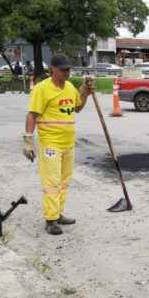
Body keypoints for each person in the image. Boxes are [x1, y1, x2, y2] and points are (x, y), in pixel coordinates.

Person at [23, 54, 94, 236]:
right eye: (63, 70)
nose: (67, 73)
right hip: (50, 144)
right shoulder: (42, 89)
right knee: (52, 183)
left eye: (68, 69)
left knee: (64, 182)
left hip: (68, 144)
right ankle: (51, 220)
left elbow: (77, 107)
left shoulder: (70, 87)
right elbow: (32, 115)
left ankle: (58, 213)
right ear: (52, 69)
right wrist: (28, 141)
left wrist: (85, 91)